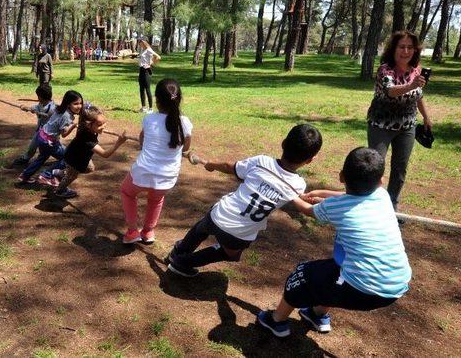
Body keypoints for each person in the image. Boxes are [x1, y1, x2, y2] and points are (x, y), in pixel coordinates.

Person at [257, 147, 412, 338]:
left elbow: (308, 210)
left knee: (302, 274)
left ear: (341, 177)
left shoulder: (335, 208)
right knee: (332, 271)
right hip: (396, 285)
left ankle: (276, 320)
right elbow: (345, 198)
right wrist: (321, 193)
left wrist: (289, 195)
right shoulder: (383, 196)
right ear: (381, 181)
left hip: (364, 289)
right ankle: (316, 314)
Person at [167, 124, 323, 277]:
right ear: (309, 160)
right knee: (230, 254)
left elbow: (230, 167)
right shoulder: (297, 185)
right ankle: (183, 262)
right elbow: (296, 200)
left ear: (283, 143)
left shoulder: (262, 162)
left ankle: (179, 251)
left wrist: (211, 165)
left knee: (201, 228)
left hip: (219, 214)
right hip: (239, 235)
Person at [366, 30, 432, 213]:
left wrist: (426, 117)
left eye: (410, 47)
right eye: (402, 47)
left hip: (407, 127)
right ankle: (371, 205)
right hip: (381, 125)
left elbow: (419, 95)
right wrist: (411, 85)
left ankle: (391, 207)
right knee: (374, 165)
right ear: (394, 49)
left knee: (400, 169)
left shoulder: (417, 70)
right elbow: (390, 90)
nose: (406, 51)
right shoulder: (385, 69)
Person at [120, 78, 192, 244]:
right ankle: (148, 232)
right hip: (167, 177)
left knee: (126, 191)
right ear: (179, 99)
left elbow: (141, 141)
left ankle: (132, 232)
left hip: (143, 172)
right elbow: (186, 148)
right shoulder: (185, 123)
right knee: (156, 198)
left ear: (157, 100)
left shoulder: (149, 119)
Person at [47, 105, 128, 198]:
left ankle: (61, 172)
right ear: (88, 125)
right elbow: (105, 154)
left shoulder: (84, 127)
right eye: (99, 125)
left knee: (90, 168)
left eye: (104, 123)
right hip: (74, 160)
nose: (103, 127)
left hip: (80, 156)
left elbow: (84, 114)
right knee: (72, 176)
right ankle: (60, 191)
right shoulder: (88, 139)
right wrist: (119, 142)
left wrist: (94, 121)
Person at [16, 90, 83, 183]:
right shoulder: (67, 116)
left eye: (80, 103)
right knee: (69, 158)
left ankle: (25, 176)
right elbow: (64, 134)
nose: (79, 106)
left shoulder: (59, 108)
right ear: (68, 104)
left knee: (42, 157)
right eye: (76, 104)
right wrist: (73, 126)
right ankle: (47, 175)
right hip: (49, 142)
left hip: (42, 136)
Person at [12, 84, 56, 166]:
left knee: (53, 149)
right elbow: (35, 107)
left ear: (41, 97)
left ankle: (65, 158)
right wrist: (26, 107)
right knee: (33, 145)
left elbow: (43, 113)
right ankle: (25, 158)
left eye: (38, 96)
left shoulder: (51, 108)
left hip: (49, 133)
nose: (38, 98)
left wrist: (31, 109)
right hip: (40, 130)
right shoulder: (42, 104)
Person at [137, 39, 161, 113]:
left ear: (144, 42)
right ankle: (143, 107)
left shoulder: (149, 50)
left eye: (140, 43)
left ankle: (150, 109)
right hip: (141, 71)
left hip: (146, 71)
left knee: (147, 90)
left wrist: (151, 64)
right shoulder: (142, 50)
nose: (139, 44)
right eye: (139, 43)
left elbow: (158, 57)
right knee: (141, 90)